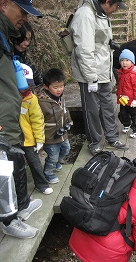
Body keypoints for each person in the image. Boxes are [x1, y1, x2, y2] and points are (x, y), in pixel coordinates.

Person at [0, 0, 43, 239]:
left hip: (9, 113)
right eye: (23, 11)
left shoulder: (5, 34)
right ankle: (9, 219)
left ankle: (22, 204)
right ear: (4, 4)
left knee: (15, 159)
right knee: (3, 169)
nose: (25, 17)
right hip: (1, 119)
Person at [70, 0, 128, 155]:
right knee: (92, 110)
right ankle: (95, 143)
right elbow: (84, 50)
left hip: (103, 71)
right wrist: (91, 78)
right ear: (108, 2)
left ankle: (112, 137)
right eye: (116, 6)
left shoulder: (101, 13)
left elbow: (99, 41)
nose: (116, 10)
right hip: (89, 74)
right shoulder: (85, 14)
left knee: (107, 106)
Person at [19, 63, 53, 194]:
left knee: (35, 163)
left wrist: (39, 140)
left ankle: (42, 184)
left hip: (28, 138)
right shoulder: (9, 98)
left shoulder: (31, 99)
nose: (26, 89)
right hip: (12, 137)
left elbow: (37, 120)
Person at [37, 68, 72, 184]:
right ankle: (48, 173)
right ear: (46, 86)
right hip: (50, 136)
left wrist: (69, 121)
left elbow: (65, 110)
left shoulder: (61, 97)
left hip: (62, 133)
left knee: (66, 149)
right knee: (52, 155)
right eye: (55, 87)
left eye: (61, 86)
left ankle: (57, 162)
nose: (59, 89)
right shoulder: (42, 102)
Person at [116, 49, 136, 138]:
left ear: (132, 62)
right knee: (122, 114)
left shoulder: (134, 74)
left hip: (132, 101)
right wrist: (118, 94)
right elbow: (120, 85)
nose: (124, 63)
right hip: (123, 99)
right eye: (122, 60)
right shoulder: (121, 73)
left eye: (127, 60)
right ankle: (126, 124)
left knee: (135, 116)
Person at [13, 21, 43, 86]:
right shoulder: (6, 57)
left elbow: (37, 77)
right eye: (24, 39)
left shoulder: (23, 57)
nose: (27, 43)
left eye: (28, 40)